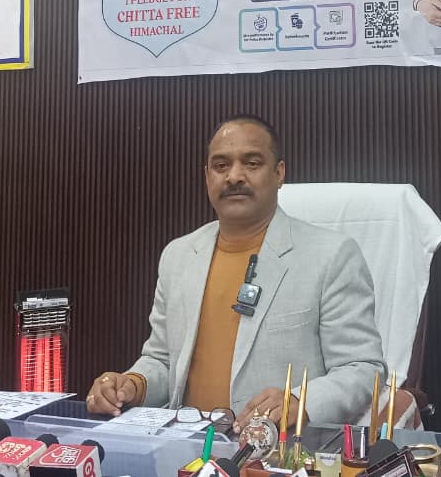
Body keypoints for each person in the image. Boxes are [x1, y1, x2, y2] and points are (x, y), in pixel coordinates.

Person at [87, 115, 384, 429]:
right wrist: (132, 385)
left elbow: (363, 368)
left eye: (252, 163)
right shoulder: (178, 256)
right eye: (221, 166)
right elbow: (163, 360)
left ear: (279, 173)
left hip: (278, 449)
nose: (234, 176)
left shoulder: (331, 256)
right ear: (207, 177)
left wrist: (300, 401)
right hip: (186, 448)